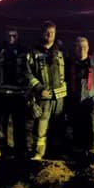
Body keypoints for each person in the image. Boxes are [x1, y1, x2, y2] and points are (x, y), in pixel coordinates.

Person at [25, 20, 68, 160]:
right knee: (41, 126)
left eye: (53, 32)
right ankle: (38, 153)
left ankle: (56, 153)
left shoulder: (61, 52)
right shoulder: (33, 52)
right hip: (43, 96)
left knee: (58, 126)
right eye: (47, 32)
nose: (50, 35)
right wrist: (38, 88)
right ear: (42, 33)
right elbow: (26, 72)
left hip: (59, 96)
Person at [0, 27, 29, 159]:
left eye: (14, 35)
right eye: (9, 35)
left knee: (19, 124)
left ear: (18, 37)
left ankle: (20, 148)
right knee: (0, 123)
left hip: (18, 94)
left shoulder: (24, 51)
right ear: (4, 36)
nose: (11, 38)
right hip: (1, 93)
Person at [67, 37, 94, 163]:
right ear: (75, 49)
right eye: (79, 47)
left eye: (84, 47)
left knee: (93, 127)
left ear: (88, 48)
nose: (82, 50)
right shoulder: (70, 64)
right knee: (77, 127)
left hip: (91, 102)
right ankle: (79, 153)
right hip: (75, 102)